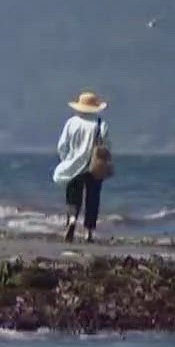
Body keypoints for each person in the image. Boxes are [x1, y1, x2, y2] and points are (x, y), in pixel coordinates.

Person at [54, 90, 110, 242]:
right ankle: (88, 233)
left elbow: (62, 145)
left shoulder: (71, 123)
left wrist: (67, 159)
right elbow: (106, 146)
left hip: (74, 164)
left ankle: (72, 220)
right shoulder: (100, 124)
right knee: (92, 198)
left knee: (73, 195)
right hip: (93, 167)